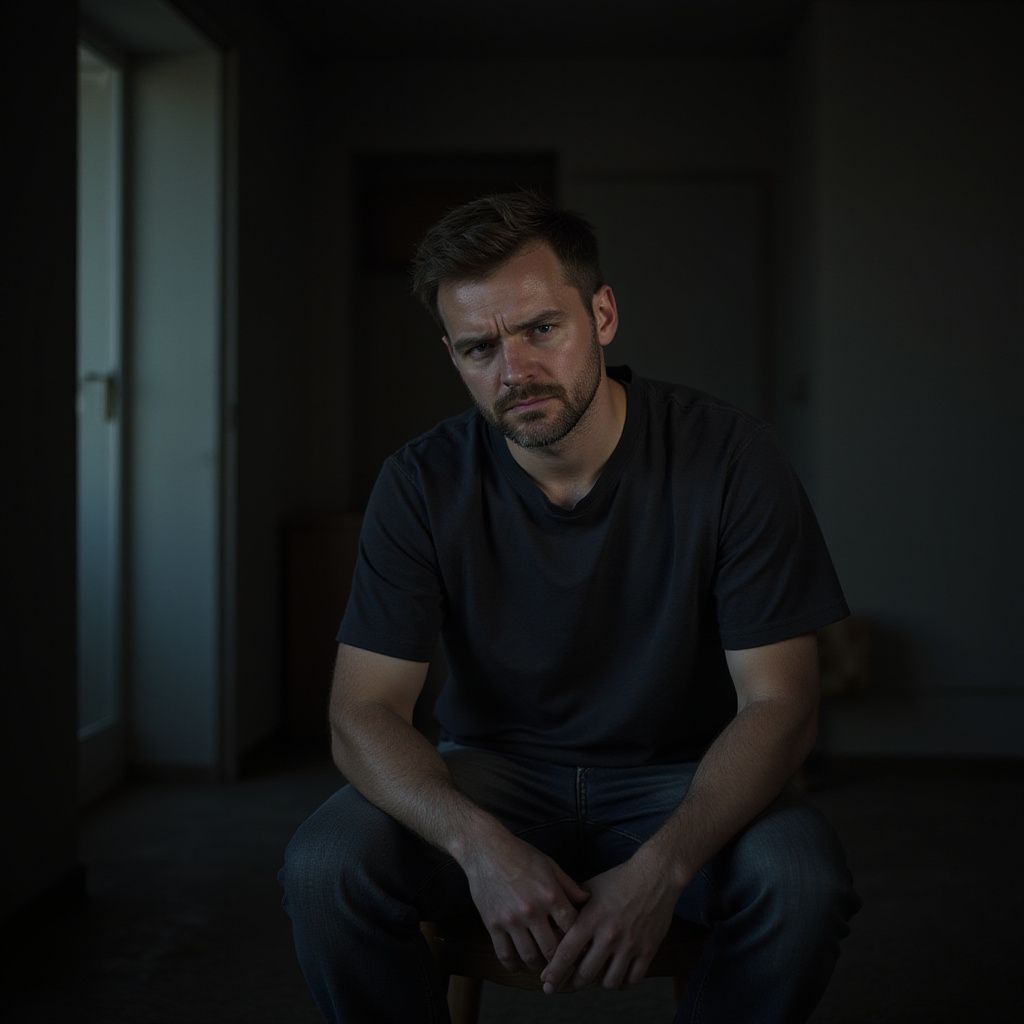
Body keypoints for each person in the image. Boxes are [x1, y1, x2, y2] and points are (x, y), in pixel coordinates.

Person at [279, 191, 860, 1023]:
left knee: (801, 885)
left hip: (683, 775)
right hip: (492, 774)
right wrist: (476, 845)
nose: (513, 373)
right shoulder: (422, 481)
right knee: (324, 867)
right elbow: (361, 713)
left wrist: (662, 868)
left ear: (603, 314)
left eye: (540, 329)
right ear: (452, 355)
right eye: (480, 348)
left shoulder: (730, 457)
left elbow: (782, 703)